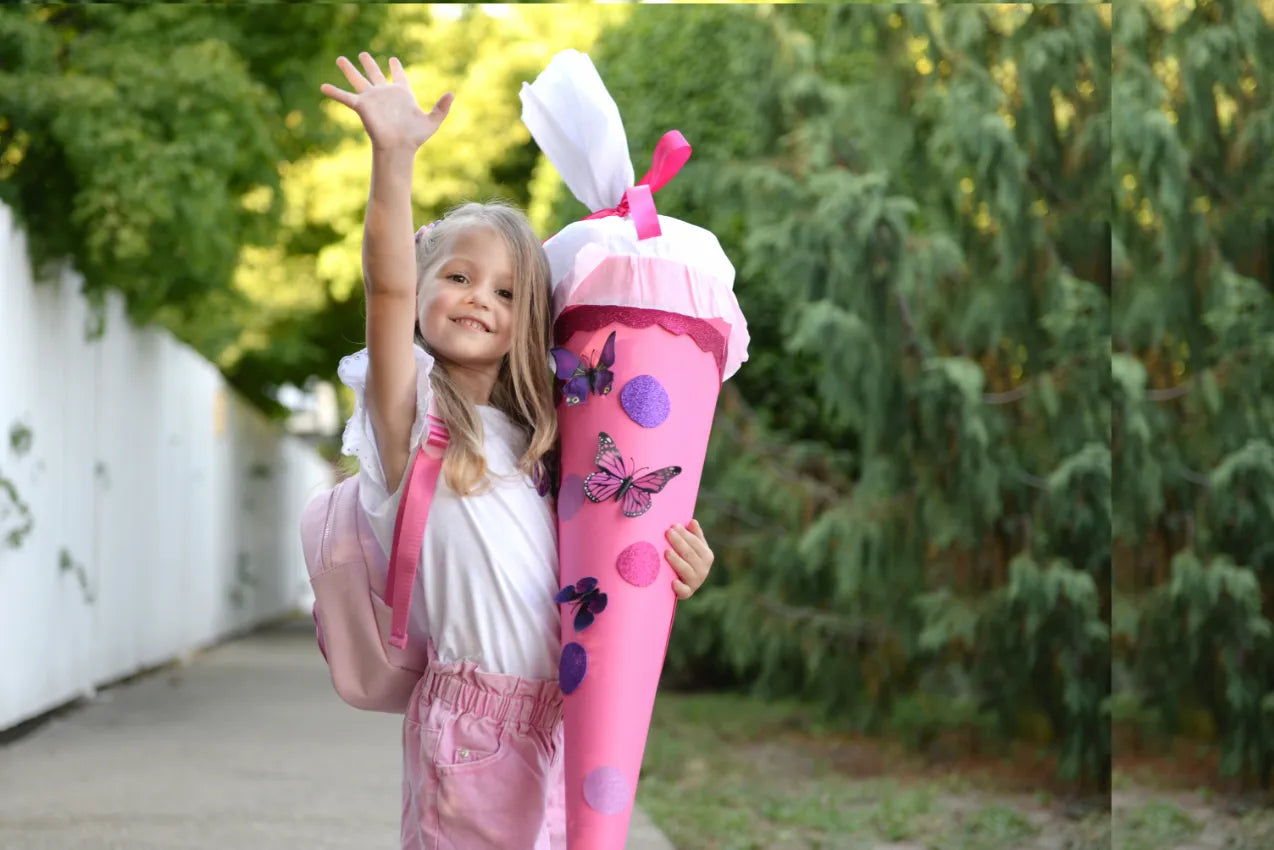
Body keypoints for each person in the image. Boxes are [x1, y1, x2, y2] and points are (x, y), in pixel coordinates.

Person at [319, 52, 717, 850]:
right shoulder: (412, 418)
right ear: (426, 289)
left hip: (565, 713)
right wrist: (392, 158)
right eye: (458, 276)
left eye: (506, 291)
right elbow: (387, 287)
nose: (479, 299)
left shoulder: (545, 449)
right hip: (472, 732)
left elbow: (600, 564)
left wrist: (679, 569)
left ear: (529, 318)